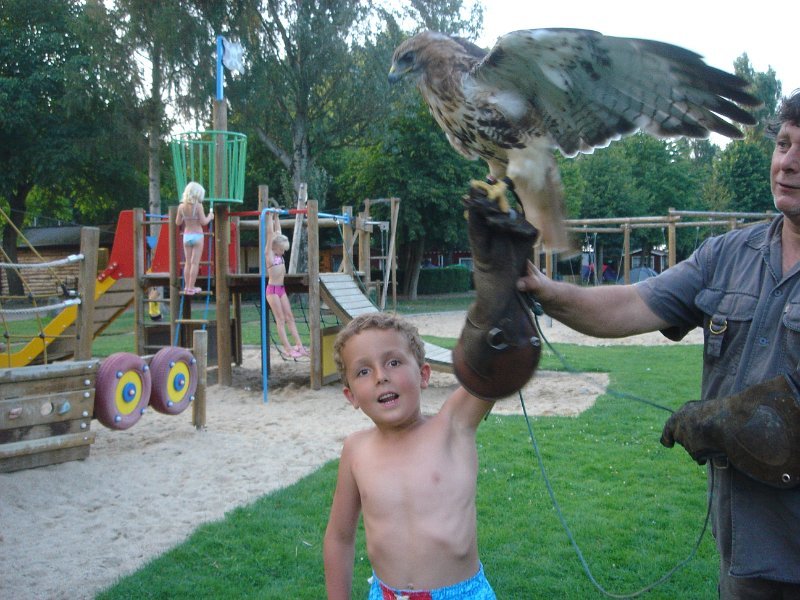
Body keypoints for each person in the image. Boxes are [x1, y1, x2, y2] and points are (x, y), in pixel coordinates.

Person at [517, 90, 800, 598]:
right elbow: (630, 305)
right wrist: (543, 290)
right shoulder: (728, 255)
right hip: (748, 551)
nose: (789, 163)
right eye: (783, 144)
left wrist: (733, 420)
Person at [323, 312, 498, 599]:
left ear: (423, 374)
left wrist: (504, 306)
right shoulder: (356, 450)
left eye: (394, 362)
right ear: (351, 395)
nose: (381, 377)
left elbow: (493, 368)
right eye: (363, 371)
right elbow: (339, 538)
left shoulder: (453, 427)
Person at [265, 212, 307, 358]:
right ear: (274, 247)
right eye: (282, 250)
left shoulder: (278, 251)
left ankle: (299, 346)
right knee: (281, 319)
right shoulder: (269, 255)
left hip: (281, 289)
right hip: (272, 291)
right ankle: (288, 349)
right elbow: (271, 235)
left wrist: (277, 218)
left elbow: (278, 234)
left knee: (290, 316)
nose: (283, 253)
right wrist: (269, 217)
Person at [175, 181, 213, 295]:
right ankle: (192, 287)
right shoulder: (198, 206)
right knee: (195, 263)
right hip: (197, 235)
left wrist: (184, 218)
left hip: (186, 236)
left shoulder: (181, 206)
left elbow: (177, 222)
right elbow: (203, 222)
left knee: (187, 262)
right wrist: (210, 216)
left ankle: (187, 287)